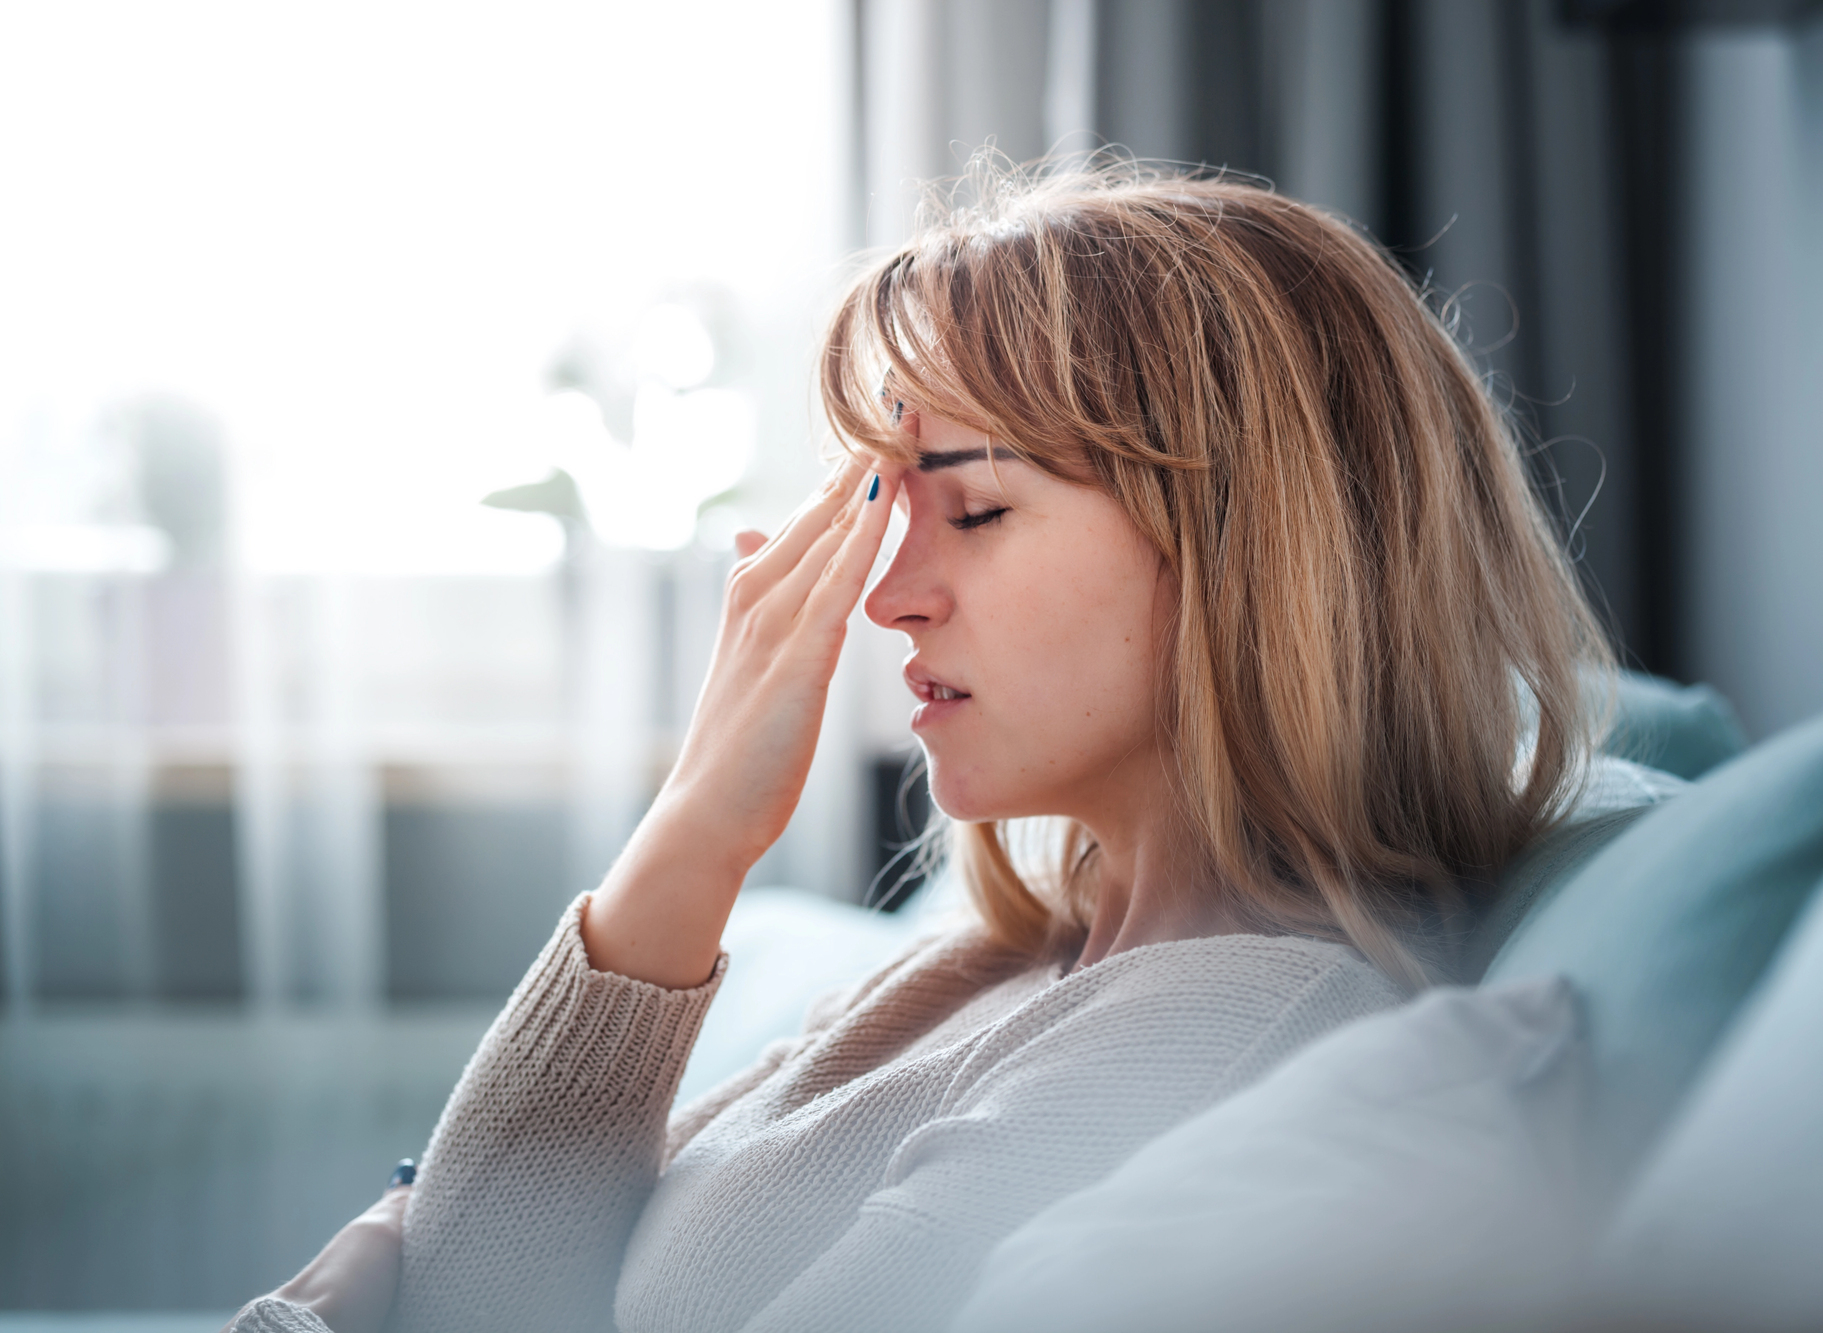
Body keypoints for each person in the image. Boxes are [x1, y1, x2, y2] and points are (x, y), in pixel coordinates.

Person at [228, 163, 1609, 1333]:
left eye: (980, 511)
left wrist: (348, 1283)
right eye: (894, 506)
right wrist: (697, 828)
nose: (889, 593)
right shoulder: (1002, 958)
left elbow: (446, 1294)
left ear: (1256, 553)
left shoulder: (1218, 1033)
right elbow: (495, 1287)